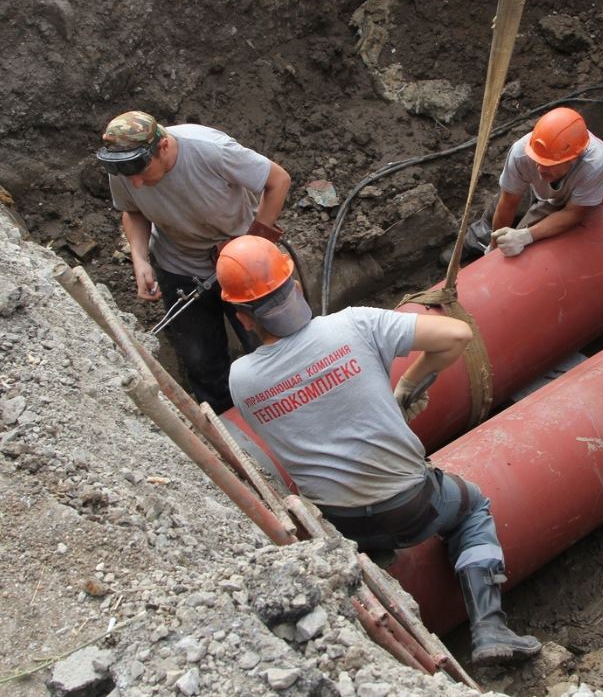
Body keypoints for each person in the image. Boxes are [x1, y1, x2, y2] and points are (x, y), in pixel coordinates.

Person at [217, 235, 542, 666]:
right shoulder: (352, 325)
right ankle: (489, 628)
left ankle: (376, 557)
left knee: (359, 515)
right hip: (412, 505)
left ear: (242, 318)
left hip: (340, 525)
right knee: (472, 507)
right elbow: (457, 333)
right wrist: (408, 385)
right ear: (294, 285)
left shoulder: (240, 380)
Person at [95, 110, 291, 414]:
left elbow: (278, 181)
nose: (135, 182)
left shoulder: (209, 149)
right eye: (127, 175)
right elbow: (133, 211)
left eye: (142, 171)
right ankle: (231, 428)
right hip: (180, 264)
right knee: (202, 360)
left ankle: (287, 408)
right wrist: (140, 258)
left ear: (162, 147)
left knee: (272, 344)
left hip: (241, 257)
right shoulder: (127, 166)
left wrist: (254, 243)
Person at [463, 106, 603, 259]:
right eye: (537, 160)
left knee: (519, 239)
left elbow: (573, 213)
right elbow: (508, 203)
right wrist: (493, 246)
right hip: (536, 186)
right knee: (494, 214)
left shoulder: (595, 165)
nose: (540, 169)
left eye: (549, 164)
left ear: (572, 159)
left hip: (566, 199)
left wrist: (525, 235)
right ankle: (473, 244)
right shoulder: (521, 153)